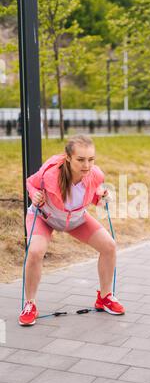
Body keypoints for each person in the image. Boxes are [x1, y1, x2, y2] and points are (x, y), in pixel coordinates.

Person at [19, 135, 125, 326]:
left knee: (109, 246)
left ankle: (105, 297)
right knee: (35, 252)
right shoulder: (50, 174)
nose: (87, 165)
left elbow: (93, 197)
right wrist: (34, 194)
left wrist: (102, 196)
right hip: (45, 217)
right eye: (81, 159)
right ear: (68, 157)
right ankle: (29, 304)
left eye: (91, 159)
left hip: (75, 220)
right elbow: (30, 183)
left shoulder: (95, 175)